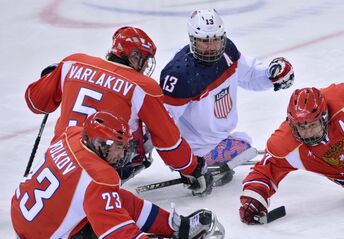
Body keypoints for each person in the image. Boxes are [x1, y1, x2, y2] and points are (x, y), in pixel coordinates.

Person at [11, 112, 225, 239]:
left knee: (110, 198)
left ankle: (173, 225)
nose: (123, 154)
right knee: (114, 202)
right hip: (42, 238)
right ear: (100, 145)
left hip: (21, 211)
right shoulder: (100, 177)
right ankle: (177, 229)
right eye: (118, 147)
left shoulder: (72, 134)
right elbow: (112, 227)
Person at [24, 26, 212, 195]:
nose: (146, 66)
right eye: (145, 60)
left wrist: (49, 78)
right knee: (156, 125)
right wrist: (192, 168)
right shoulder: (143, 86)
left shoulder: (72, 63)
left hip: (58, 159)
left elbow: (35, 103)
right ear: (134, 57)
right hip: (100, 170)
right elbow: (167, 141)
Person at [239, 74, 344, 224]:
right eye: (301, 127)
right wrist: (253, 200)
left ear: (324, 117)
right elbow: (264, 171)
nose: (308, 132)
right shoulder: (284, 145)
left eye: (312, 125)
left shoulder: (339, 99)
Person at [160, 8, 295, 186]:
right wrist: (186, 164)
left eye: (216, 40)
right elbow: (162, 125)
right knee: (245, 145)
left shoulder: (227, 52)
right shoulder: (179, 75)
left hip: (216, 139)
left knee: (245, 144)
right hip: (195, 150)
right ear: (192, 40)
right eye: (204, 42)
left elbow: (250, 75)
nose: (211, 47)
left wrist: (272, 74)